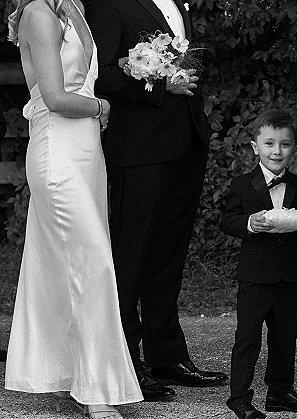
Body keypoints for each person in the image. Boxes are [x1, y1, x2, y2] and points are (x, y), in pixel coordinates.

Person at [81, 0, 228, 402]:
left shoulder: (178, 4)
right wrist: (162, 86)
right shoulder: (109, 6)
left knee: (168, 257)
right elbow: (104, 77)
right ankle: (127, 362)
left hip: (186, 142)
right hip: (139, 150)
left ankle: (168, 357)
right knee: (131, 259)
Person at [4, 0, 143, 418]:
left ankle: (70, 374)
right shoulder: (38, 14)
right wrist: (101, 107)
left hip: (86, 153)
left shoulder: (74, 7)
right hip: (57, 151)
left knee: (71, 265)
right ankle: (97, 388)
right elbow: (56, 97)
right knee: (92, 264)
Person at [220, 109, 297, 419]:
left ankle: (280, 392)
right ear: (255, 147)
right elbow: (227, 221)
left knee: (285, 335)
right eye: (270, 144)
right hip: (254, 275)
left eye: (285, 144)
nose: (277, 151)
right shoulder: (242, 184)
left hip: (287, 274)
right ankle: (239, 398)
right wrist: (249, 223)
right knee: (247, 337)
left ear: (294, 148)